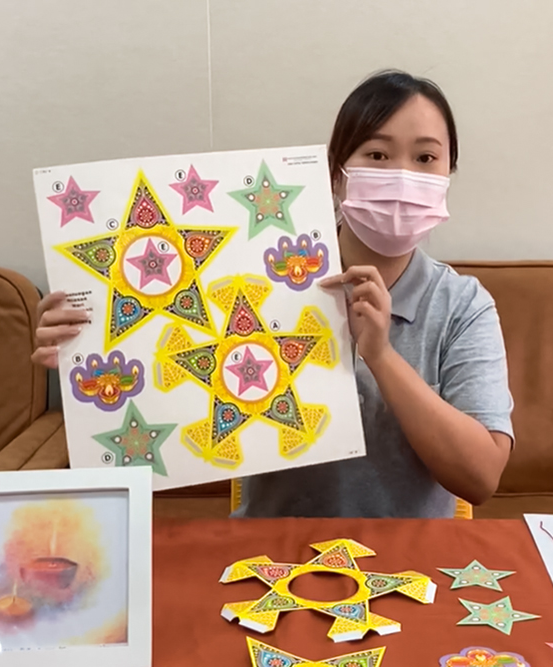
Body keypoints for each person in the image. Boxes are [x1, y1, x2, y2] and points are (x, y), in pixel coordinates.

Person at [33, 70, 514, 518]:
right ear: (336, 173)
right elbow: (169, 363)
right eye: (377, 155)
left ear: (449, 172)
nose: (402, 176)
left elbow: (479, 477)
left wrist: (382, 356)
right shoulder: (253, 272)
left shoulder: (462, 306)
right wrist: (89, 351)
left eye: (426, 158)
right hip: (268, 555)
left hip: (408, 561)